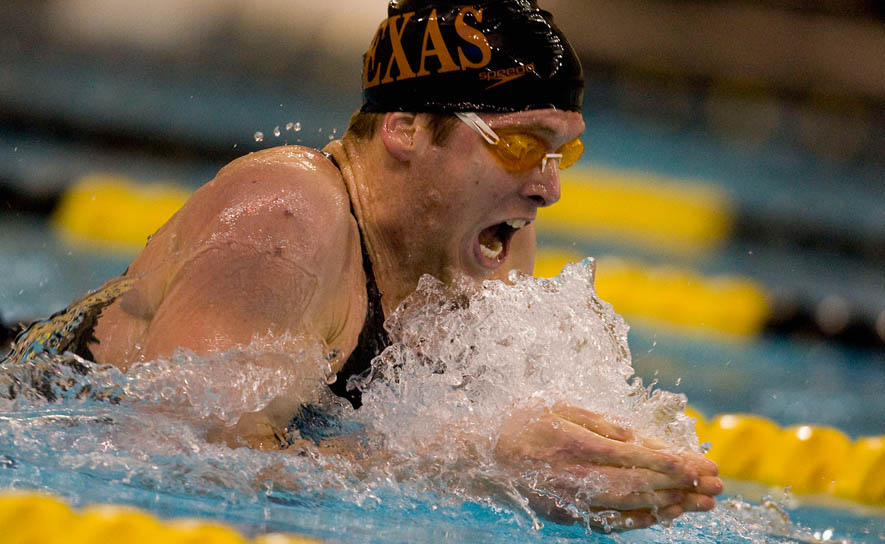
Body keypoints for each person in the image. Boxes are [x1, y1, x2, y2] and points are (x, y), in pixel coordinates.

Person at [7, 0, 721, 530]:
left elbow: (489, 440)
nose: (548, 185)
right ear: (404, 128)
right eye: (519, 146)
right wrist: (474, 467)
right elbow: (170, 458)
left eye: (563, 151)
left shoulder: (487, 242)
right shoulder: (284, 221)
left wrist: (600, 471)